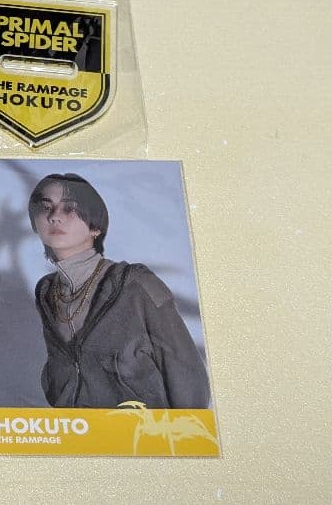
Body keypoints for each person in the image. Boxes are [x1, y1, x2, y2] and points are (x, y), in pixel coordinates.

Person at [29, 173, 211, 409]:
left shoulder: (138, 284)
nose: (54, 216)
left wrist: (186, 429)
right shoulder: (46, 292)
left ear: (95, 226)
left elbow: (187, 375)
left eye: (69, 208)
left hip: (142, 429)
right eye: (46, 207)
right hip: (77, 428)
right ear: (35, 223)